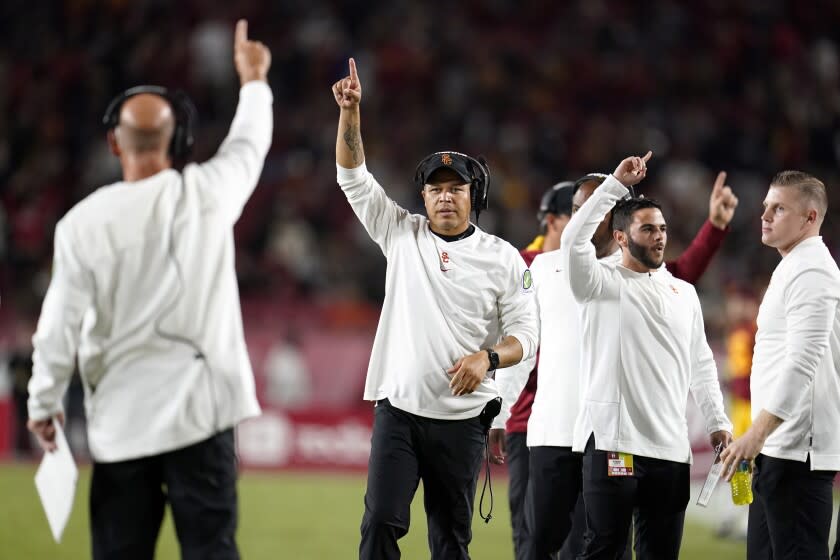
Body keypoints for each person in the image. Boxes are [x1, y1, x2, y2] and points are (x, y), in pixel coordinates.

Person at [26, 20, 272, 559]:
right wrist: (253, 79)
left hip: (121, 427)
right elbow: (249, 143)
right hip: (202, 420)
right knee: (211, 551)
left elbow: (58, 327)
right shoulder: (207, 195)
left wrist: (44, 401)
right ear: (178, 141)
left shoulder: (80, 225)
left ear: (114, 142)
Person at [332, 58, 538, 560]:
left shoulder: (502, 258)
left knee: (450, 540)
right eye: (436, 188)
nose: (446, 197)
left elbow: (526, 336)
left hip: (463, 420)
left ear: (475, 195)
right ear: (422, 196)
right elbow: (352, 178)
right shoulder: (401, 234)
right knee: (380, 521)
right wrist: (352, 113)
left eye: (457, 188)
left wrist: (486, 359)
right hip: (399, 411)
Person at [522, 170, 738, 560]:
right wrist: (615, 187)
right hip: (613, 445)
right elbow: (572, 241)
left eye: (662, 228)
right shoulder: (598, 283)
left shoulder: (683, 292)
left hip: (670, 449)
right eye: (647, 229)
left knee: (660, 554)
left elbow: (701, 363)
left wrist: (718, 422)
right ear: (621, 237)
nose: (659, 236)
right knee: (605, 549)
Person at [720, 171, 840, 560]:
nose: (765, 216)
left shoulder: (812, 270)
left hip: (795, 454)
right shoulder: (794, 266)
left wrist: (756, 433)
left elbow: (803, 361)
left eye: (779, 208)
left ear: (810, 217)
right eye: (765, 207)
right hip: (779, 449)